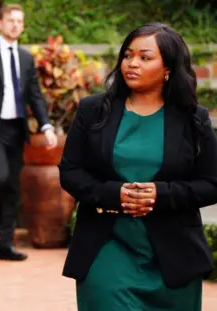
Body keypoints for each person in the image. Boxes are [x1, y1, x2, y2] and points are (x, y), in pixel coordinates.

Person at [59, 22, 217, 310]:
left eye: (145, 58)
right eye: (128, 55)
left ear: (168, 68)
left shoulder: (194, 120)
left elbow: (211, 183)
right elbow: (70, 171)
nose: (132, 63)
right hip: (106, 247)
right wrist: (112, 194)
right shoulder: (93, 110)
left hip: (174, 259)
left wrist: (161, 194)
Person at [0, 4, 57, 261]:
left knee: (13, 188)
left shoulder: (26, 58)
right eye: (11, 20)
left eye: (20, 21)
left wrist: (46, 125)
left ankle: (5, 245)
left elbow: (35, 96)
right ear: (0, 24)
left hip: (17, 129)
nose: (15, 25)